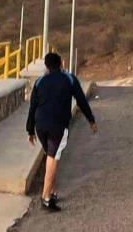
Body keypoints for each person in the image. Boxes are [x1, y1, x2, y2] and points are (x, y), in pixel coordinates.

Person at [27, 52, 97, 212]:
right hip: (57, 125)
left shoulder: (39, 81)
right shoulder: (69, 79)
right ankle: (45, 198)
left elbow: (32, 107)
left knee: (50, 157)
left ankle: (51, 192)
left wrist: (30, 130)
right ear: (61, 64)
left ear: (46, 66)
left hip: (40, 126)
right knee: (53, 158)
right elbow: (81, 100)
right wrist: (91, 119)